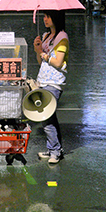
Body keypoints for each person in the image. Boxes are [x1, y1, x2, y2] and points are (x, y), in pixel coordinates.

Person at [33, 10, 69, 164]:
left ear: (56, 17)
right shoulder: (47, 36)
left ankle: (55, 150)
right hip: (43, 80)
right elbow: (41, 62)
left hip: (54, 82)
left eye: (48, 16)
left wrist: (44, 55)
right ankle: (54, 148)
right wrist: (38, 50)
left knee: (45, 116)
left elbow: (58, 62)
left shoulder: (62, 37)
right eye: (44, 17)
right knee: (49, 117)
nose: (45, 19)